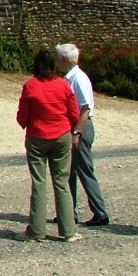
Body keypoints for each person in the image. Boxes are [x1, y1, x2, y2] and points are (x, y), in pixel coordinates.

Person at [15, 48, 80, 242]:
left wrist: (28, 124)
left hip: (37, 137)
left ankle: (36, 231)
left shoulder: (30, 86)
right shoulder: (63, 85)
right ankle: (69, 231)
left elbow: (22, 116)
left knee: (39, 183)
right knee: (61, 182)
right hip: (60, 135)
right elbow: (74, 113)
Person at [56, 43, 111, 226]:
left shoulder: (78, 79)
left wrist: (77, 132)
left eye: (58, 58)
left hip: (80, 128)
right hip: (73, 128)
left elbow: (85, 108)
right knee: (68, 172)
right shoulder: (70, 78)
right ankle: (68, 212)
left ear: (64, 59)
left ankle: (100, 213)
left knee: (84, 171)